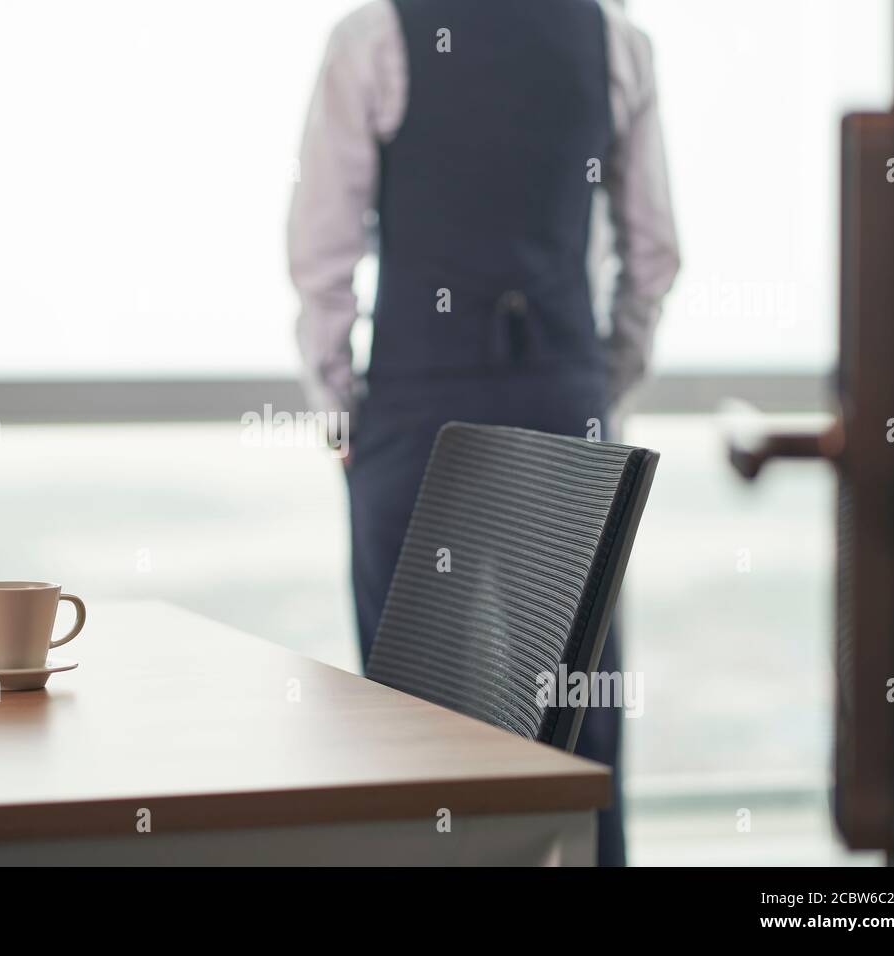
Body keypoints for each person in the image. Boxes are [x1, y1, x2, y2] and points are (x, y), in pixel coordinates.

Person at [287, 0, 679, 866]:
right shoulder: (615, 39)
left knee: (414, 730)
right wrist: (595, 386)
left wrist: (342, 407)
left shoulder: (372, 37)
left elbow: (323, 253)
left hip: (414, 410)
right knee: (582, 724)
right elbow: (652, 255)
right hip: (565, 402)